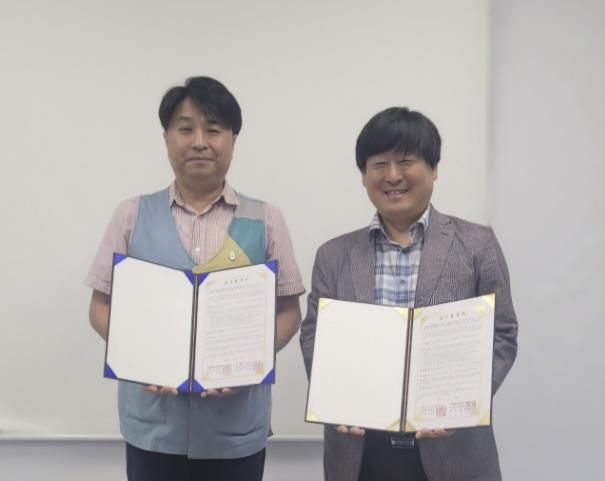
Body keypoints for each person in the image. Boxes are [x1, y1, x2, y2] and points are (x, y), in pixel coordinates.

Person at [86, 76, 305, 481]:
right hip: (153, 427)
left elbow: (289, 312)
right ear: (167, 138)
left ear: (233, 140)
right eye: (186, 129)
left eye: (214, 130)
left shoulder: (266, 218)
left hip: (235, 428)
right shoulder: (132, 215)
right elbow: (100, 307)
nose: (200, 142)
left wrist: (247, 362)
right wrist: (139, 356)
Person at [300, 107, 518, 481]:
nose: (392, 176)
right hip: (360, 451)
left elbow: (502, 333)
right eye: (379, 164)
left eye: (405, 162)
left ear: (433, 169)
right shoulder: (333, 255)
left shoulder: (477, 243)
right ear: (364, 175)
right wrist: (335, 399)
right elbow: (313, 335)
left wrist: (463, 404)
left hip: (454, 448)